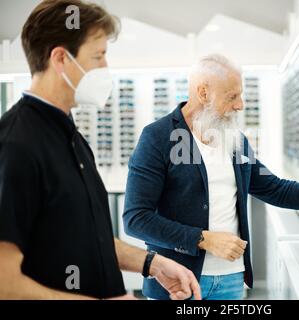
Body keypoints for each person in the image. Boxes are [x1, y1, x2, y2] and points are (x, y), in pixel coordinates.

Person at [0, 0, 200, 300]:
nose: (106, 68)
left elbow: (87, 237)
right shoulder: (15, 146)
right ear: (60, 59)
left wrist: (153, 264)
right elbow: (5, 283)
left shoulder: (71, 138)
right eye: (98, 56)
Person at [123, 54, 299, 300]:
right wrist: (203, 239)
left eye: (240, 95)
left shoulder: (235, 141)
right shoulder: (158, 137)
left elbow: (275, 189)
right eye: (232, 96)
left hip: (230, 279)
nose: (240, 105)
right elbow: (136, 219)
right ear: (203, 93)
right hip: (176, 282)